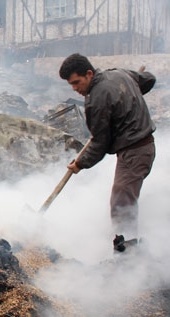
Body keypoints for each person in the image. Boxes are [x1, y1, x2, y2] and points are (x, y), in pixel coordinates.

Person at [59, 53, 156, 251]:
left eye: (77, 82)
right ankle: (127, 242)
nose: (75, 89)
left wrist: (79, 164)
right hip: (142, 148)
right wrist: (128, 96)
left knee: (121, 200)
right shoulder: (119, 74)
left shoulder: (96, 99)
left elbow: (100, 143)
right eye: (71, 85)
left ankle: (127, 251)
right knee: (123, 197)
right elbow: (149, 79)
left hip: (135, 151)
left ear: (89, 73)